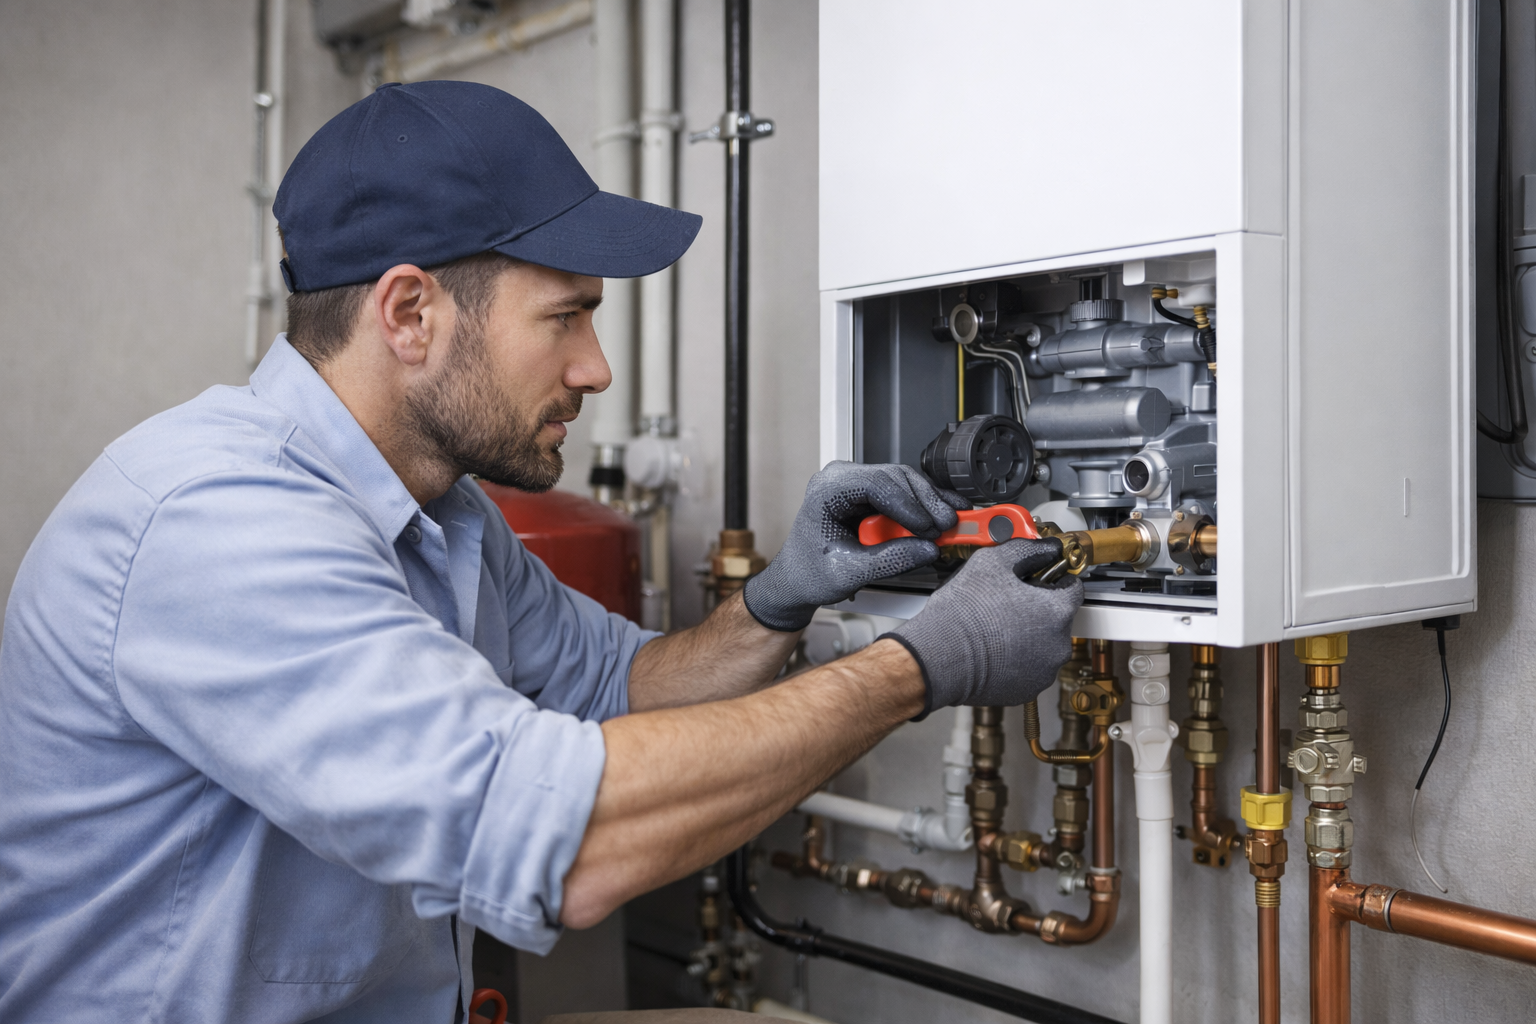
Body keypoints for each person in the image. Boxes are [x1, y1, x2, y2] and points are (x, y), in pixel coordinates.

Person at [0, 82, 1081, 1024]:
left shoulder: (447, 517)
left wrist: (778, 604)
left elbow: (618, 688)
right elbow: (570, 837)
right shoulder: (216, 521)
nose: (598, 368)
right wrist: (921, 666)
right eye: (564, 317)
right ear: (410, 312)